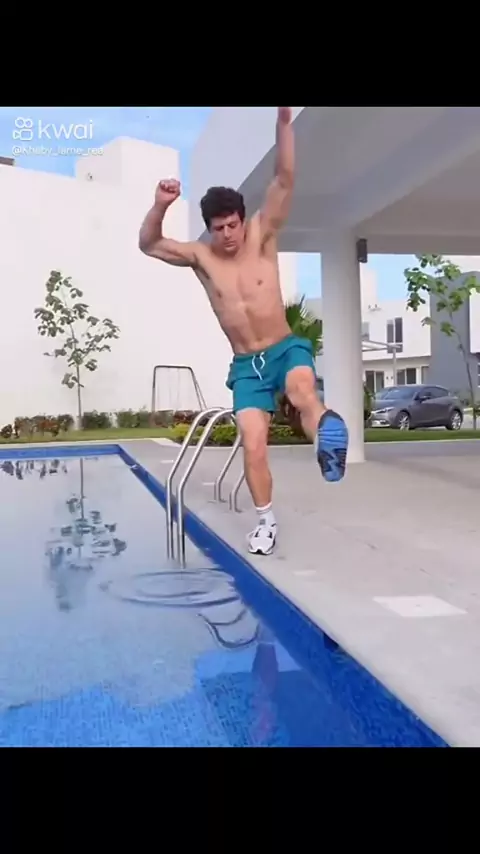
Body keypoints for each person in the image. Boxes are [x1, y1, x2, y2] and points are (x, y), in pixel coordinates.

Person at [138, 106, 349, 556]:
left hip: (284, 347)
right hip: (246, 366)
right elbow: (149, 244)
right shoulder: (200, 256)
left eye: (233, 224)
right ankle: (266, 522)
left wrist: (283, 125)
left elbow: (285, 180)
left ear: (241, 217)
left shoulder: (262, 234)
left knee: (302, 390)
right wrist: (160, 205)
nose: (229, 235)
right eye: (219, 229)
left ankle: (327, 439)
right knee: (253, 445)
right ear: (209, 229)